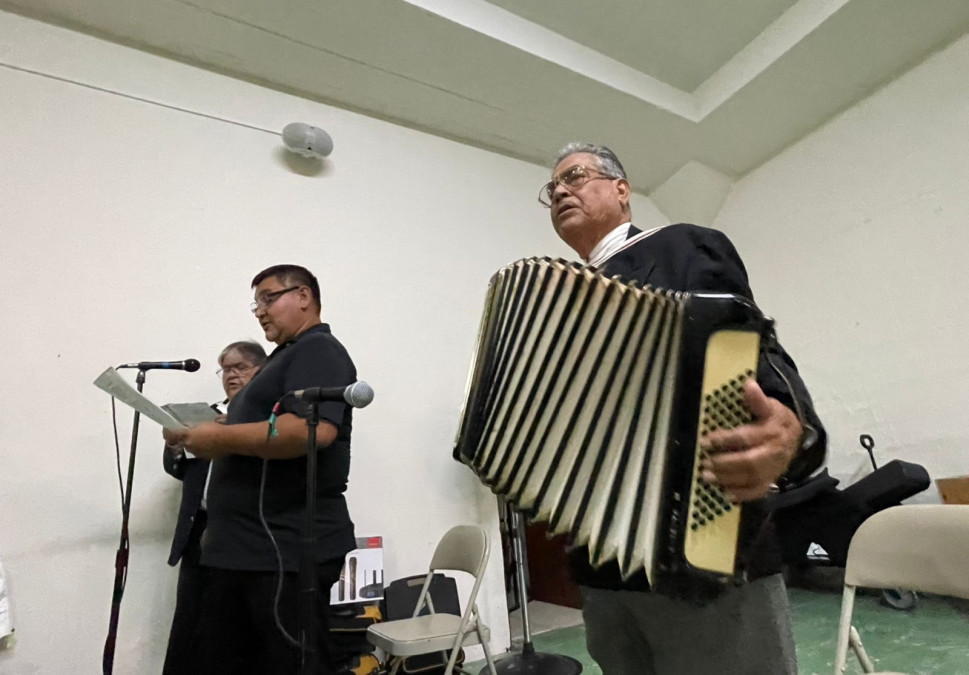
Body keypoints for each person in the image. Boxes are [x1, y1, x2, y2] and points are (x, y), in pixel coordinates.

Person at [539, 142, 827, 675]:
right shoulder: (557, 308)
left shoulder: (683, 248)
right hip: (601, 565)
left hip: (700, 551)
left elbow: (757, 352)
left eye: (574, 176)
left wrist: (792, 429)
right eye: (552, 187)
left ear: (621, 189)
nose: (559, 190)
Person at [162, 265, 358, 675]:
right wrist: (209, 431)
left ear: (304, 296)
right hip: (246, 550)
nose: (260, 311)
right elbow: (262, 429)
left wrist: (221, 439)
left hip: (282, 551)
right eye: (257, 303)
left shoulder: (317, 350)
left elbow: (313, 430)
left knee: (290, 664)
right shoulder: (281, 359)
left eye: (269, 298)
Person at [162, 340, 266, 675]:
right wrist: (176, 446)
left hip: (241, 534)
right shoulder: (208, 414)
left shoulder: (265, 419)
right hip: (199, 529)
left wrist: (228, 435)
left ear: (261, 371)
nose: (232, 375)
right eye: (226, 369)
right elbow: (180, 471)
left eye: (241, 367)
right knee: (190, 620)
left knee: (229, 628)